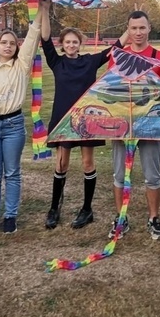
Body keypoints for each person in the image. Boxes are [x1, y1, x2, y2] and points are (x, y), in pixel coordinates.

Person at [0, 0, 51, 237]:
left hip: (14, 125)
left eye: (12, 44)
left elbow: (34, 34)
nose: (8, 46)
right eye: (4, 42)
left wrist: (43, 9)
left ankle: (11, 216)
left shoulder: (21, 66)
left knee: (13, 172)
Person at [41, 17, 128, 230]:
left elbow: (116, 48)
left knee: (88, 163)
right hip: (63, 120)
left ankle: (87, 209)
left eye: (75, 42)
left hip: (88, 120)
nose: (71, 45)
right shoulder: (57, 62)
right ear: (62, 44)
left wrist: (129, 27)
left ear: (80, 43)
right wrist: (44, 9)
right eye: (67, 42)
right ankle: (54, 208)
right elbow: (44, 38)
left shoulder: (89, 61)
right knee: (61, 163)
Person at [108, 10, 160, 241]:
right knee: (119, 175)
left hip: (150, 127)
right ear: (128, 29)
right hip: (123, 126)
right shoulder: (118, 56)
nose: (137, 32)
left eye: (142, 28)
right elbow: (110, 89)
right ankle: (120, 219)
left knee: (153, 177)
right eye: (133, 28)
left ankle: (154, 218)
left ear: (149, 28)